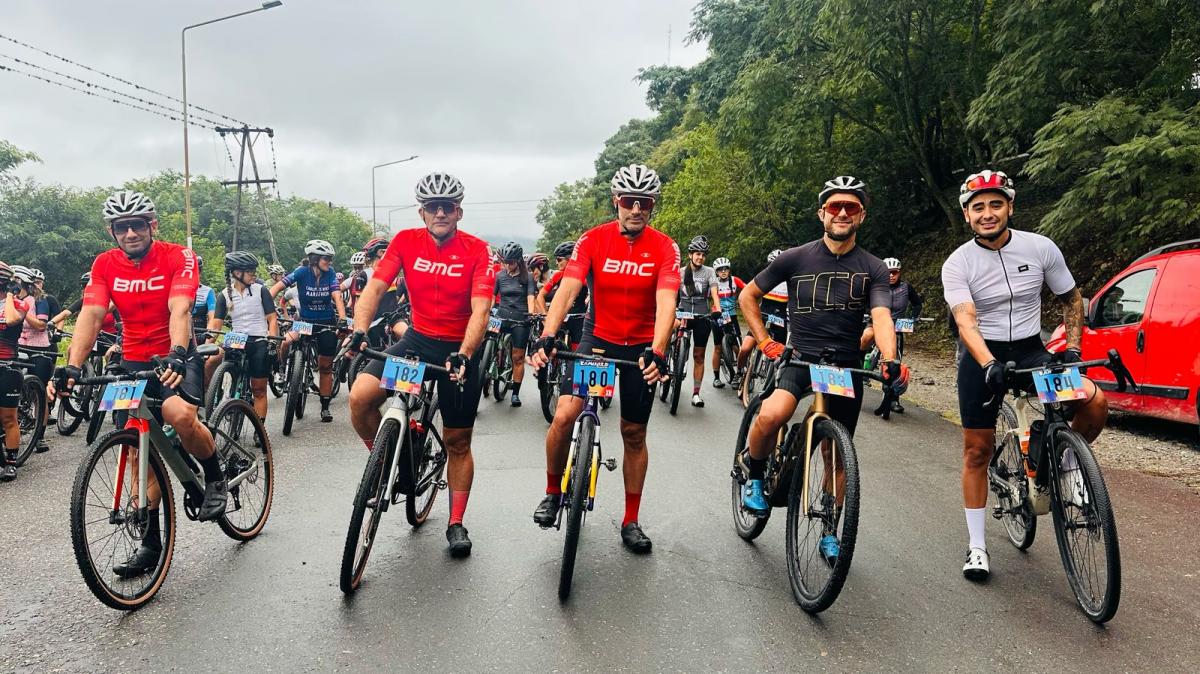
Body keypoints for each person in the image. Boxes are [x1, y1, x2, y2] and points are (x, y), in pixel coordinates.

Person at [942, 169, 1107, 581]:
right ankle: (977, 546)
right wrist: (988, 364)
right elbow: (966, 320)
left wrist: (1071, 349)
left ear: (1010, 207)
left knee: (1093, 400)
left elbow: (1071, 298)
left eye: (995, 204)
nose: (987, 213)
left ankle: (1066, 464)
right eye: (977, 207)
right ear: (967, 215)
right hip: (983, 354)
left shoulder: (1040, 248)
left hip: (1032, 350)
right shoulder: (958, 262)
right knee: (977, 451)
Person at [52, 190, 223, 577]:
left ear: (152, 226)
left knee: (178, 413)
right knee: (135, 445)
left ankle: (214, 476)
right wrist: (73, 366)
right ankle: (151, 544)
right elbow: (92, 314)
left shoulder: (177, 256)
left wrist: (179, 352)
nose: (130, 233)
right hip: (131, 361)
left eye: (137, 225)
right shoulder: (105, 264)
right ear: (113, 231)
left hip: (174, 355)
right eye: (121, 227)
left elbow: (179, 307)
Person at [736, 175, 902, 563]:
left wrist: (891, 360)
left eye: (851, 207)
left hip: (844, 366)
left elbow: (880, 315)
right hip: (800, 357)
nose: (842, 213)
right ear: (821, 213)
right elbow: (748, 296)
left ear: (861, 215)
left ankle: (830, 528)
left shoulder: (873, 267)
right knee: (774, 412)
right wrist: (764, 341)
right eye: (835, 207)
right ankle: (756, 477)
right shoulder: (795, 257)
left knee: (837, 454)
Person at [527, 163, 680, 554]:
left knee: (634, 433)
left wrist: (659, 351)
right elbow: (568, 290)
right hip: (598, 340)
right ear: (617, 202)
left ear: (652, 207)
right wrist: (547, 335)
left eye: (644, 203)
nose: (636, 209)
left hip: (642, 345)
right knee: (564, 416)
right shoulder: (593, 240)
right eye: (629, 201)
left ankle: (631, 520)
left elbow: (667, 302)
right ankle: (551, 491)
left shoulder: (664, 247)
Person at [346, 172, 493, 558]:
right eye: (433, 207)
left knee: (457, 442)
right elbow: (375, 288)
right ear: (422, 212)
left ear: (458, 211)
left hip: (459, 348)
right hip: (417, 340)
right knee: (360, 398)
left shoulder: (477, 250)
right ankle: (382, 463)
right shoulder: (405, 241)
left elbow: (482, 308)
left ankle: (456, 522)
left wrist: (465, 352)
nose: (440, 213)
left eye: (447, 207)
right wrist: (360, 329)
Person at [270, 240, 346, 423]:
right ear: (315, 259)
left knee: (325, 366)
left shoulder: (331, 274)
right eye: (326, 258)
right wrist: (266, 305)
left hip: (325, 323)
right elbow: (277, 287)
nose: (329, 261)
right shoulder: (302, 272)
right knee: (287, 341)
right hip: (304, 322)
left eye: (330, 258)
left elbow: (336, 295)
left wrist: (342, 318)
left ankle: (325, 406)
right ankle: (282, 371)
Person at [206, 252, 279, 423]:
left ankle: (259, 428)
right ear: (237, 273)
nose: (255, 274)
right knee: (210, 361)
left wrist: (273, 340)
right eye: (251, 271)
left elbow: (272, 318)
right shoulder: (224, 295)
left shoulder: (261, 291)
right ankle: (213, 395)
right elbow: (216, 324)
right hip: (236, 340)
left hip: (258, 339)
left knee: (258, 389)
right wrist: (207, 343)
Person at [861, 256, 924, 413]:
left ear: (899, 272)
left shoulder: (906, 288)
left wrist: (913, 318)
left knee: (896, 362)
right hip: (876, 323)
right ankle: (861, 368)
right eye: (887, 272)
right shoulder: (875, 287)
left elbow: (917, 304)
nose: (891, 275)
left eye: (894, 272)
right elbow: (863, 303)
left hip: (896, 327)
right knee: (866, 338)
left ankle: (894, 399)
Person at [675, 235, 721, 407]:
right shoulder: (680, 272)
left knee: (699, 356)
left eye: (703, 254)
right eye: (697, 254)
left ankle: (696, 393)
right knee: (669, 328)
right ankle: (664, 361)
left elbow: (715, 294)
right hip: (683, 313)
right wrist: (671, 312)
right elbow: (672, 294)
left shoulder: (709, 272)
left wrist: (717, 308)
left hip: (702, 316)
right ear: (690, 255)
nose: (700, 257)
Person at [12, 265, 53, 453]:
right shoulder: (10, 300)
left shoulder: (40, 300)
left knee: (41, 393)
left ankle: (40, 436)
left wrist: (24, 310)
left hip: (39, 350)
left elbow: (41, 326)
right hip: (18, 347)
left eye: (16, 283)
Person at [494, 242, 537, 407]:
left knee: (517, 357)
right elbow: (492, 298)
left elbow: (530, 297)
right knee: (486, 340)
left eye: (511, 262)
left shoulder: (529, 277)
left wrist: (531, 314)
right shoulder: (500, 276)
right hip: (502, 316)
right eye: (505, 262)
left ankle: (515, 393)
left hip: (521, 318)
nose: (508, 265)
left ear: (519, 261)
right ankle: (489, 362)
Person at [0, 261, 31, 481]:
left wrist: (10, 296)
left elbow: (11, 320)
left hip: (7, 366)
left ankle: (11, 462)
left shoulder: (19, 304)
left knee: (8, 418)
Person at [737, 249, 787, 373]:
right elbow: (748, 296)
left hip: (780, 321)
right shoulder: (763, 279)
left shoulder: (790, 282)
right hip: (762, 317)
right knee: (745, 349)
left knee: (780, 357)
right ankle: (739, 372)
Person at [535, 240, 588, 348]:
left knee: (576, 355)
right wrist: (546, 316)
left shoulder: (585, 276)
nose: (556, 263)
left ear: (571, 259)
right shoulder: (558, 275)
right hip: (560, 319)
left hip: (578, 320)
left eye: (559, 259)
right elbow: (540, 296)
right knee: (547, 348)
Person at [711, 256, 747, 388]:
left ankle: (740, 372)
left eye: (726, 269)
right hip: (718, 316)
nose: (723, 271)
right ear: (716, 272)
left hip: (732, 316)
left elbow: (748, 289)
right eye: (720, 270)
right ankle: (716, 378)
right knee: (717, 347)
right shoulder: (713, 283)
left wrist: (742, 300)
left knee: (737, 346)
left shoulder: (734, 280)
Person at [191, 255, 215, 340]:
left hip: (201, 333)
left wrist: (208, 333)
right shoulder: (177, 289)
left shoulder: (208, 291)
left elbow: (212, 317)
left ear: (200, 272)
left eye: (196, 272)